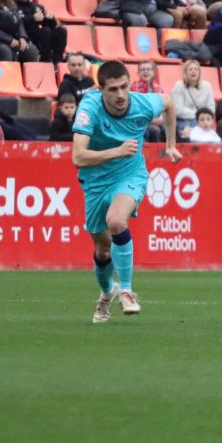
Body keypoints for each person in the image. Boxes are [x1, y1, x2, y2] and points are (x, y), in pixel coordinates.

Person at [73, 60, 181, 323]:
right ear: (101, 89)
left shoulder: (142, 103)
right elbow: (78, 156)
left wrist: (170, 145)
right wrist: (117, 151)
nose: (120, 94)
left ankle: (126, 290)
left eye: (124, 87)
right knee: (103, 251)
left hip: (130, 175)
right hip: (95, 182)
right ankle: (106, 293)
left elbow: (168, 103)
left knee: (117, 221)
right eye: (113, 89)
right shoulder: (89, 108)